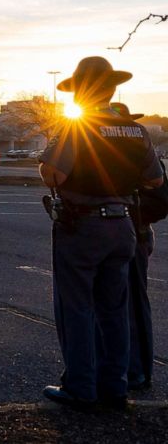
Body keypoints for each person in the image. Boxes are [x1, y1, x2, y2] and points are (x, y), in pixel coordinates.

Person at [38, 56, 164, 410]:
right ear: (112, 89)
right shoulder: (136, 131)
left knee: (77, 307)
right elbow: (155, 180)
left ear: (80, 91)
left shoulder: (79, 128)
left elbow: (54, 175)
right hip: (123, 224)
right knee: (114, 309)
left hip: (83, 226)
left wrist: (46, 162)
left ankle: (80, 387)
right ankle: (116, 386)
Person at [110, 102, 167, 391]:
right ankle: (117, 369)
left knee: (133, 304)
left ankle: (139, 371)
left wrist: (130, 215)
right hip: (120, 234)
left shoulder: (143, 156)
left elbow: (161, 199)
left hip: (135, 234)